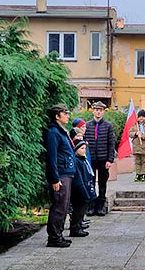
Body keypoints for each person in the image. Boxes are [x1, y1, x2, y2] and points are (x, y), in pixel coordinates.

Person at [44, 103, 75, 248]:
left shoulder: (61, 131)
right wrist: (54, 178)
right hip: (60, 174)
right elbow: (52, 157)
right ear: (57, 116)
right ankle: (54, 237)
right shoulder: (53, 133)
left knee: (64, 205)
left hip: (66, 172)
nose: (68, 116)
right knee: (59, 206)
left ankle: (59, 235)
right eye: (65, 113)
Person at [84, 101, 115, 216]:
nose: (98, 112)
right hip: (90, 159)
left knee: (102, 183)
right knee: (90, 183)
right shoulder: (87, 125)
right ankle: (91, 206)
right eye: (96, 109)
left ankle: (101, 206)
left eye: (100, 110)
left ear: (103, 112)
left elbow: (111, 143)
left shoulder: (108, 126)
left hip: (103, 159)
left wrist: (109, 159)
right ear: (93, 111)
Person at [69, 139, 97, 237]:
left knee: (82, 209)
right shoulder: (76, 161)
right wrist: (83, 189)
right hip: (79, 189)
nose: (84, 150)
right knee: (78, 209)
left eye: (85, 148)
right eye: (81, 148)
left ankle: (78, 226)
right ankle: (75, 227)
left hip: (86, 186)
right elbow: (78, 178)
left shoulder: (83, 160)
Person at [129, 109, 145, 182]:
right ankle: (138, 174)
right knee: (137, 162)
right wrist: (135, 134)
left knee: (144, 161)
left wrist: (143, 135)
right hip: (136, 147)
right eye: (140, 117)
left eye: (143, 117)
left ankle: (143, 174)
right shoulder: (135, 125)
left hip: (144, 147)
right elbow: (130, 133)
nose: (141, 118)